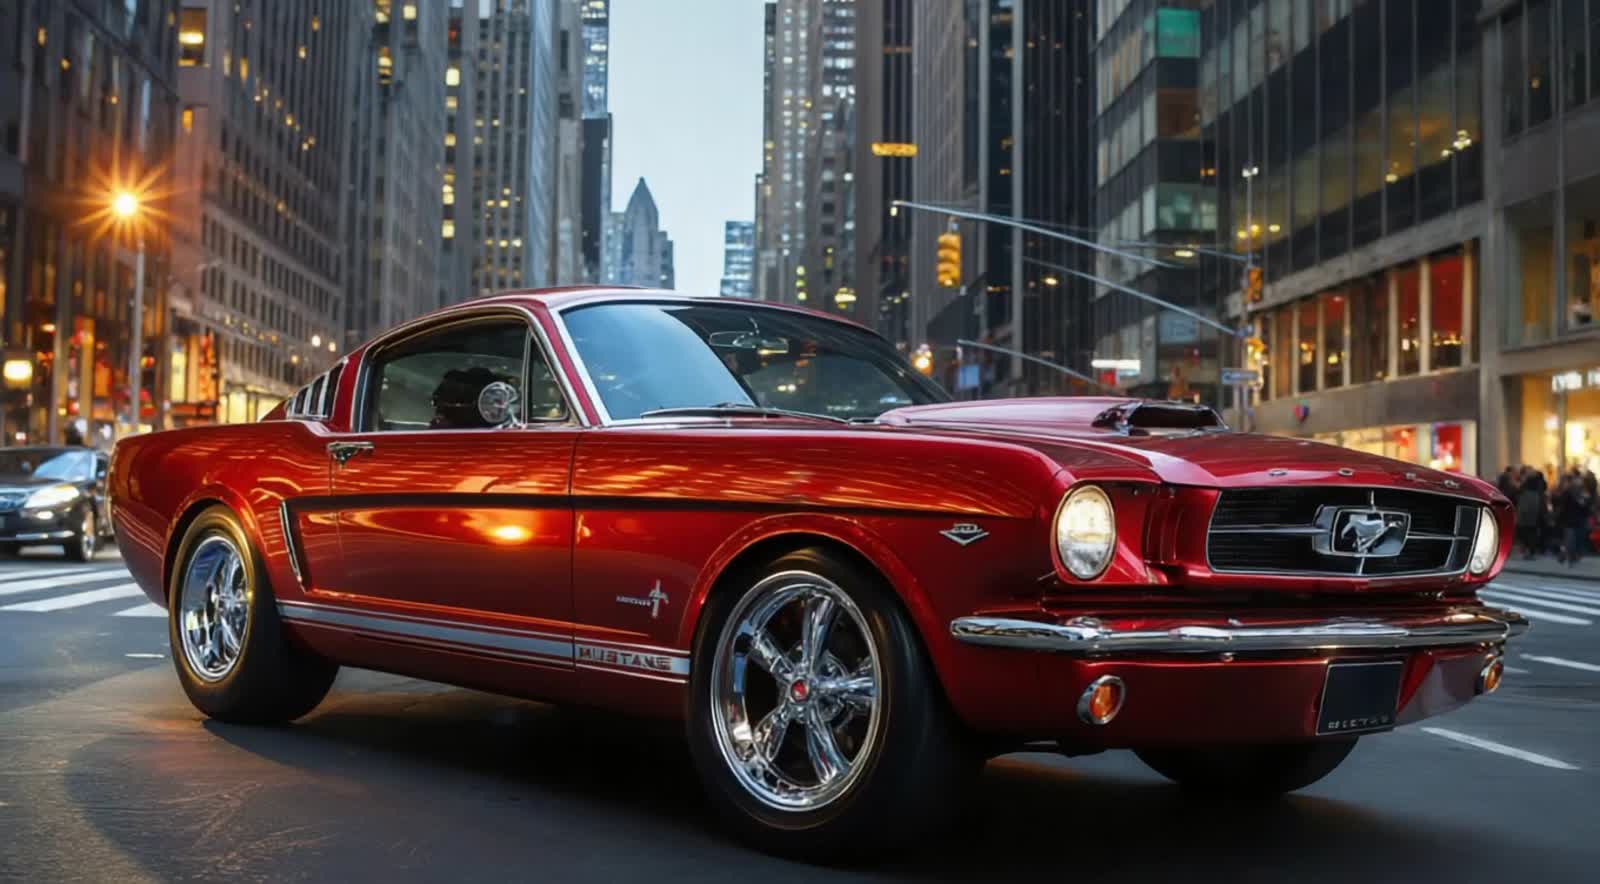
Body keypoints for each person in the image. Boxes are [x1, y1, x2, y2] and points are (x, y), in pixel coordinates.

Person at [1556, 469, 1596, 566]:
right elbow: (1564, 505)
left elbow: (1586, 505)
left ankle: (1570, 555)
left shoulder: (1582, 493)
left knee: (1574, 539)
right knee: (1571, 539)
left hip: (1577, 519)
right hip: (1573, 519)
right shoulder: (1571, 492)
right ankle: (1568, 555)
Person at [1515, 466, 1547, 559]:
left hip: (1528, 508)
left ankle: (1528, 550)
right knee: (1532, 530)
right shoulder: (1538, 487)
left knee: (1527, 530)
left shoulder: (1527, 486)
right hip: (1533, 508)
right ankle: (1531, 550)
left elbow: (1519, 491)